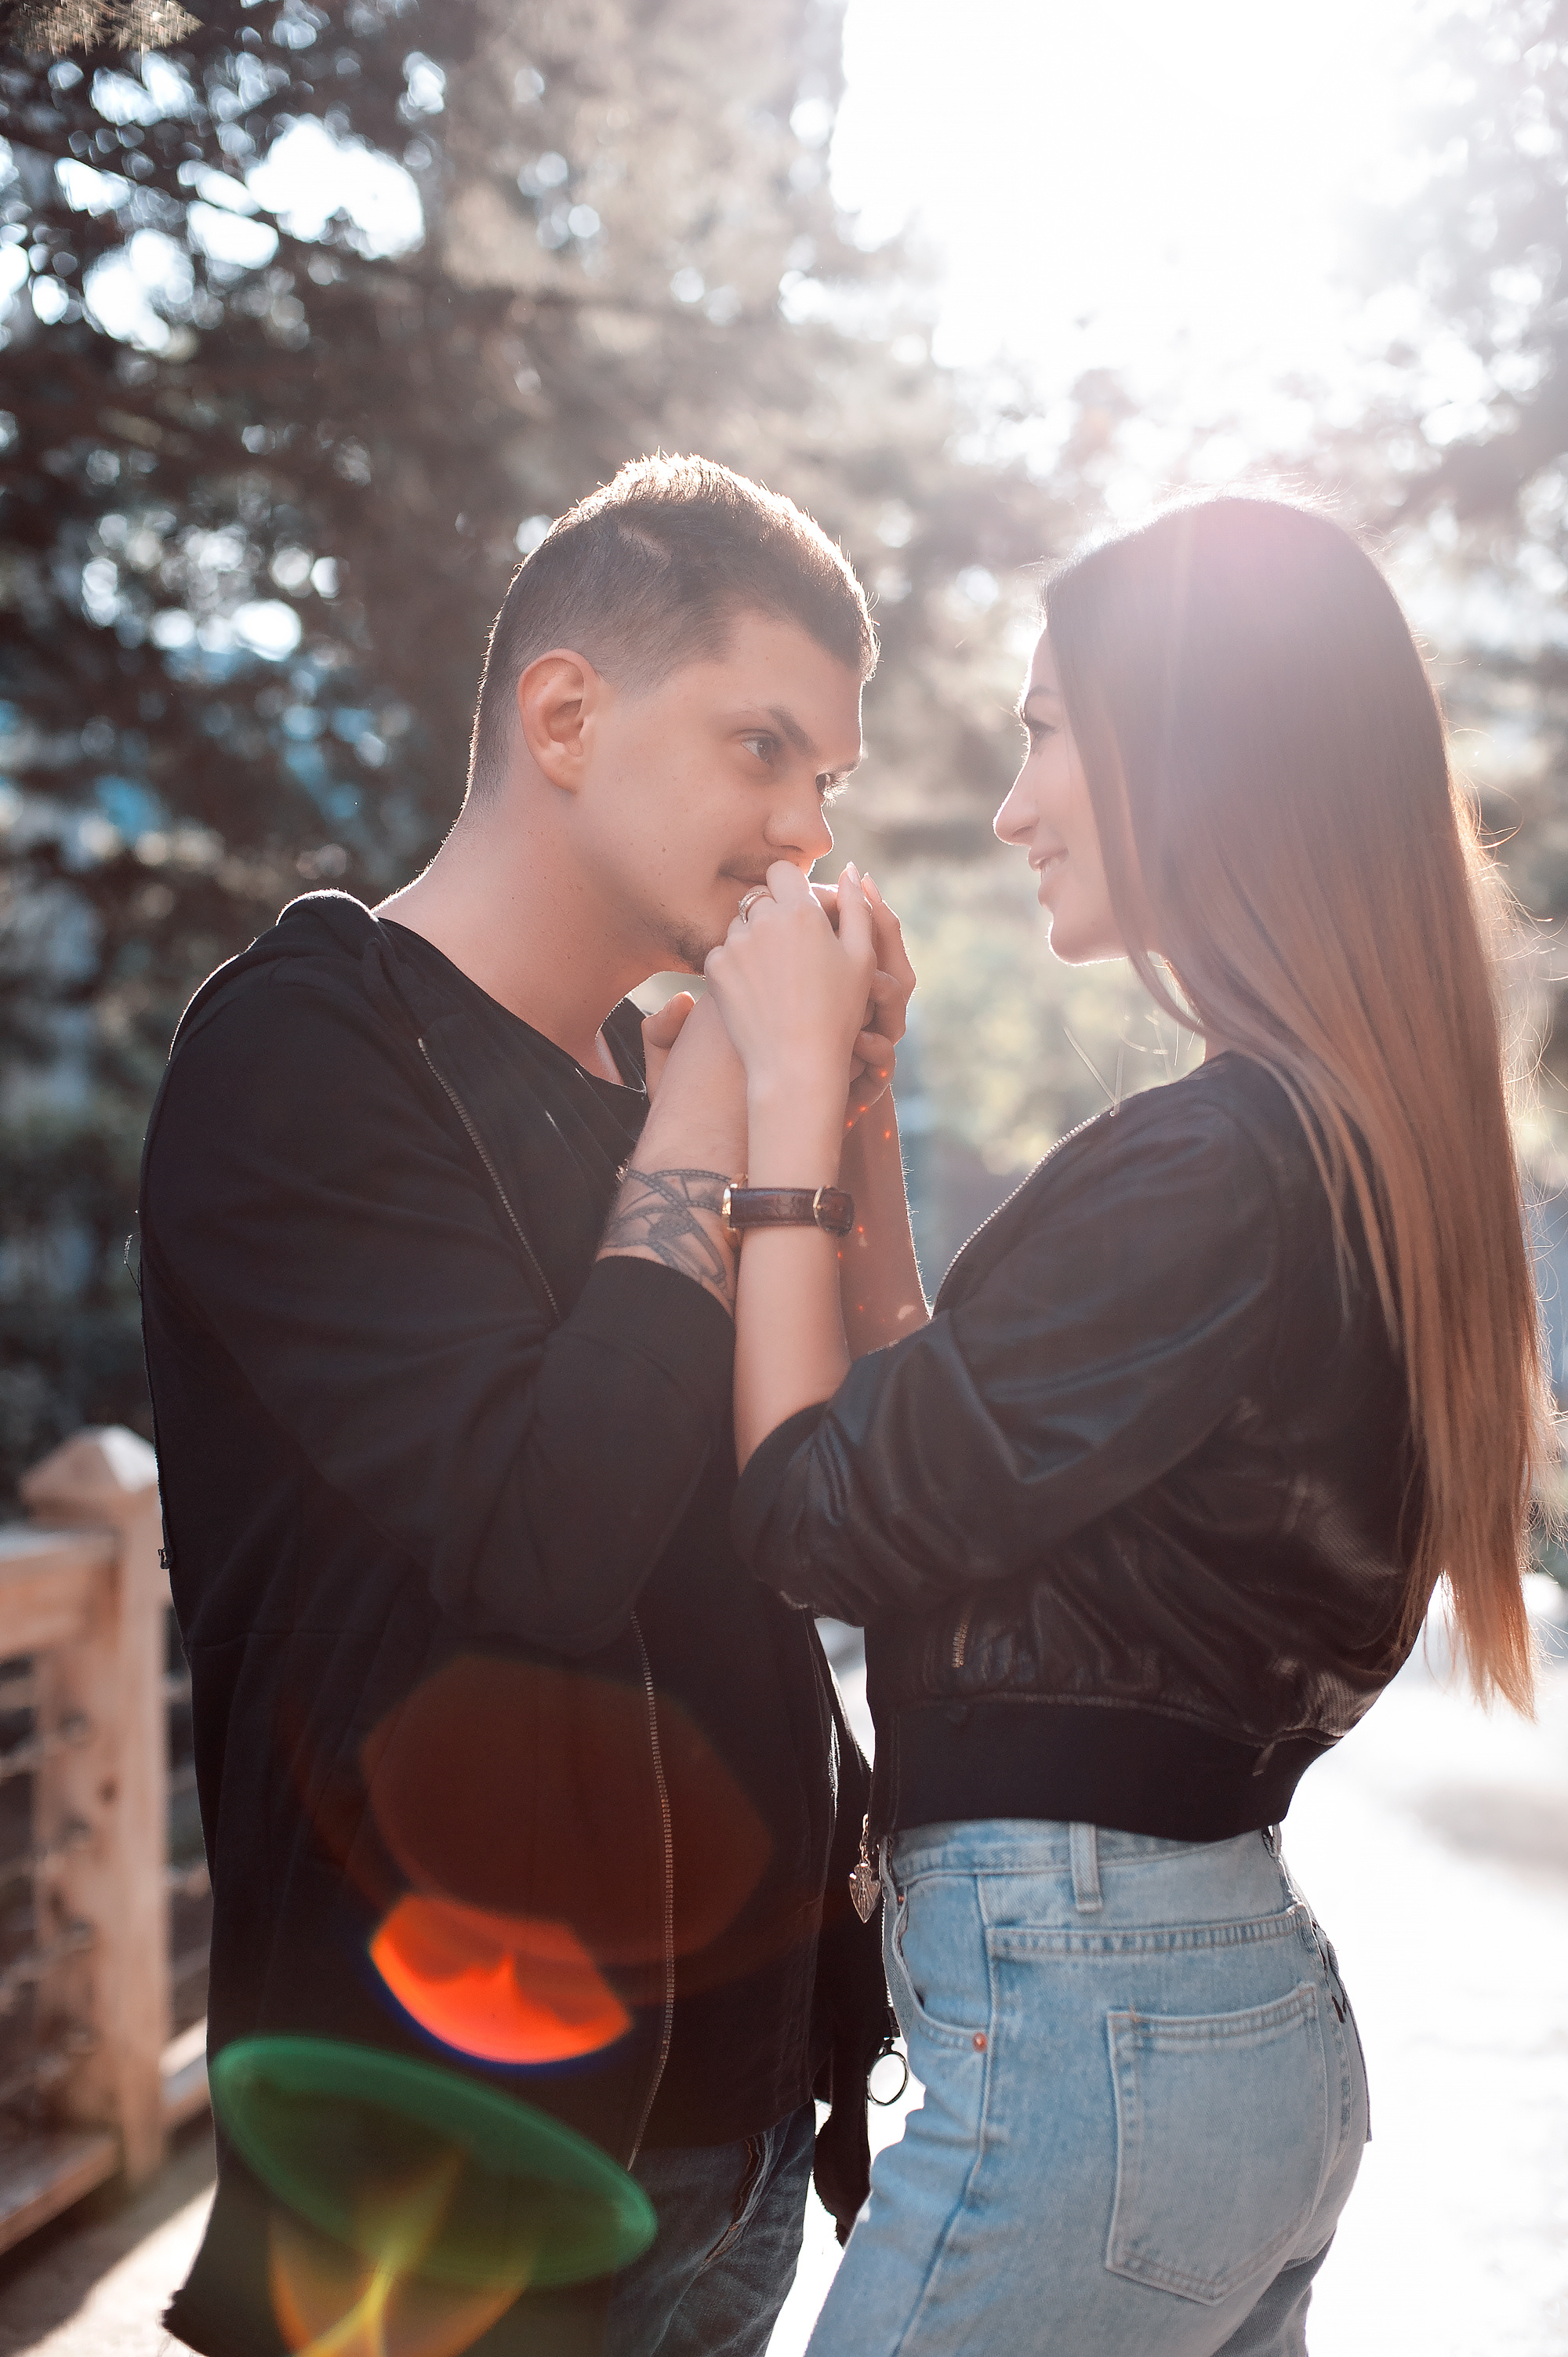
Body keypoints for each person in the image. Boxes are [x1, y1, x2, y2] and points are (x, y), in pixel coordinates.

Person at [683, 496, 1552, 2355]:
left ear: (1196, 756)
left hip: (1097, 2036)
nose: (1011, 807)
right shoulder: (1321, 1153)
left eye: (1047, 731)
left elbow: (811, 1512)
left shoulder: (1214, 1167)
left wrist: (762, 1104)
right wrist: (851, 1105)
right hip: (1209, 2032)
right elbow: (938, 1455)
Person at [137, 455, 905, 2357]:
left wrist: (842, 1106)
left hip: (729, 2165)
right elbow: (544, 1540)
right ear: (565, 716)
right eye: (760, 747)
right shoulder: (309, 1050)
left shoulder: (633, 1087)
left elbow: (855, 1497)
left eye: (830, 780)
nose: (806, 831)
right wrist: (724, 1099)